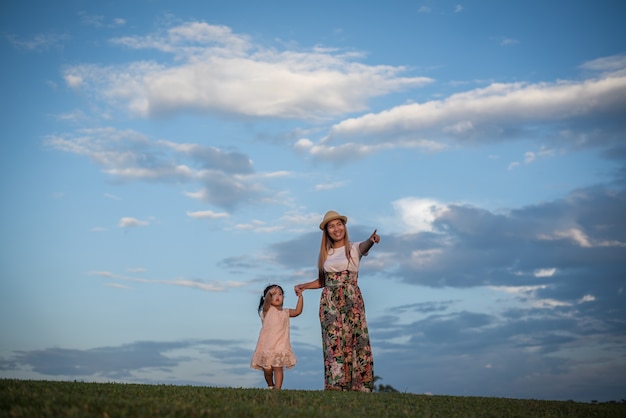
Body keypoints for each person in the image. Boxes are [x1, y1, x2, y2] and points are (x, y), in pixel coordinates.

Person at [294, 210, 380, 392]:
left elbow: (364, 247)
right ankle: (336, 385)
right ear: (327, 231)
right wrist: (305, 286)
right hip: (329, 302)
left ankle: (360, 386)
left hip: (351, 298)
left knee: (356, 339)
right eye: (331, 226)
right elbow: (324, 281)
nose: (336, 229)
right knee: (334, 342)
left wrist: (371, 241)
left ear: (344, 227)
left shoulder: (354, 248)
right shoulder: (326, 254)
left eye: (339, 224)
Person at [250, 284, 304, 390]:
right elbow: (266, 303)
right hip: (267, 345)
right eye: (274, 294)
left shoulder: (285, 312)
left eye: (280, 294)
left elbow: (297, 311)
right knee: (267, 369)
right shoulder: (267, 311)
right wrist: (269, 294)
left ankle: (277, 389)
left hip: (281, 345)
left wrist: (300, 297)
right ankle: (270, 385)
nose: (277, 296)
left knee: (278, 368)